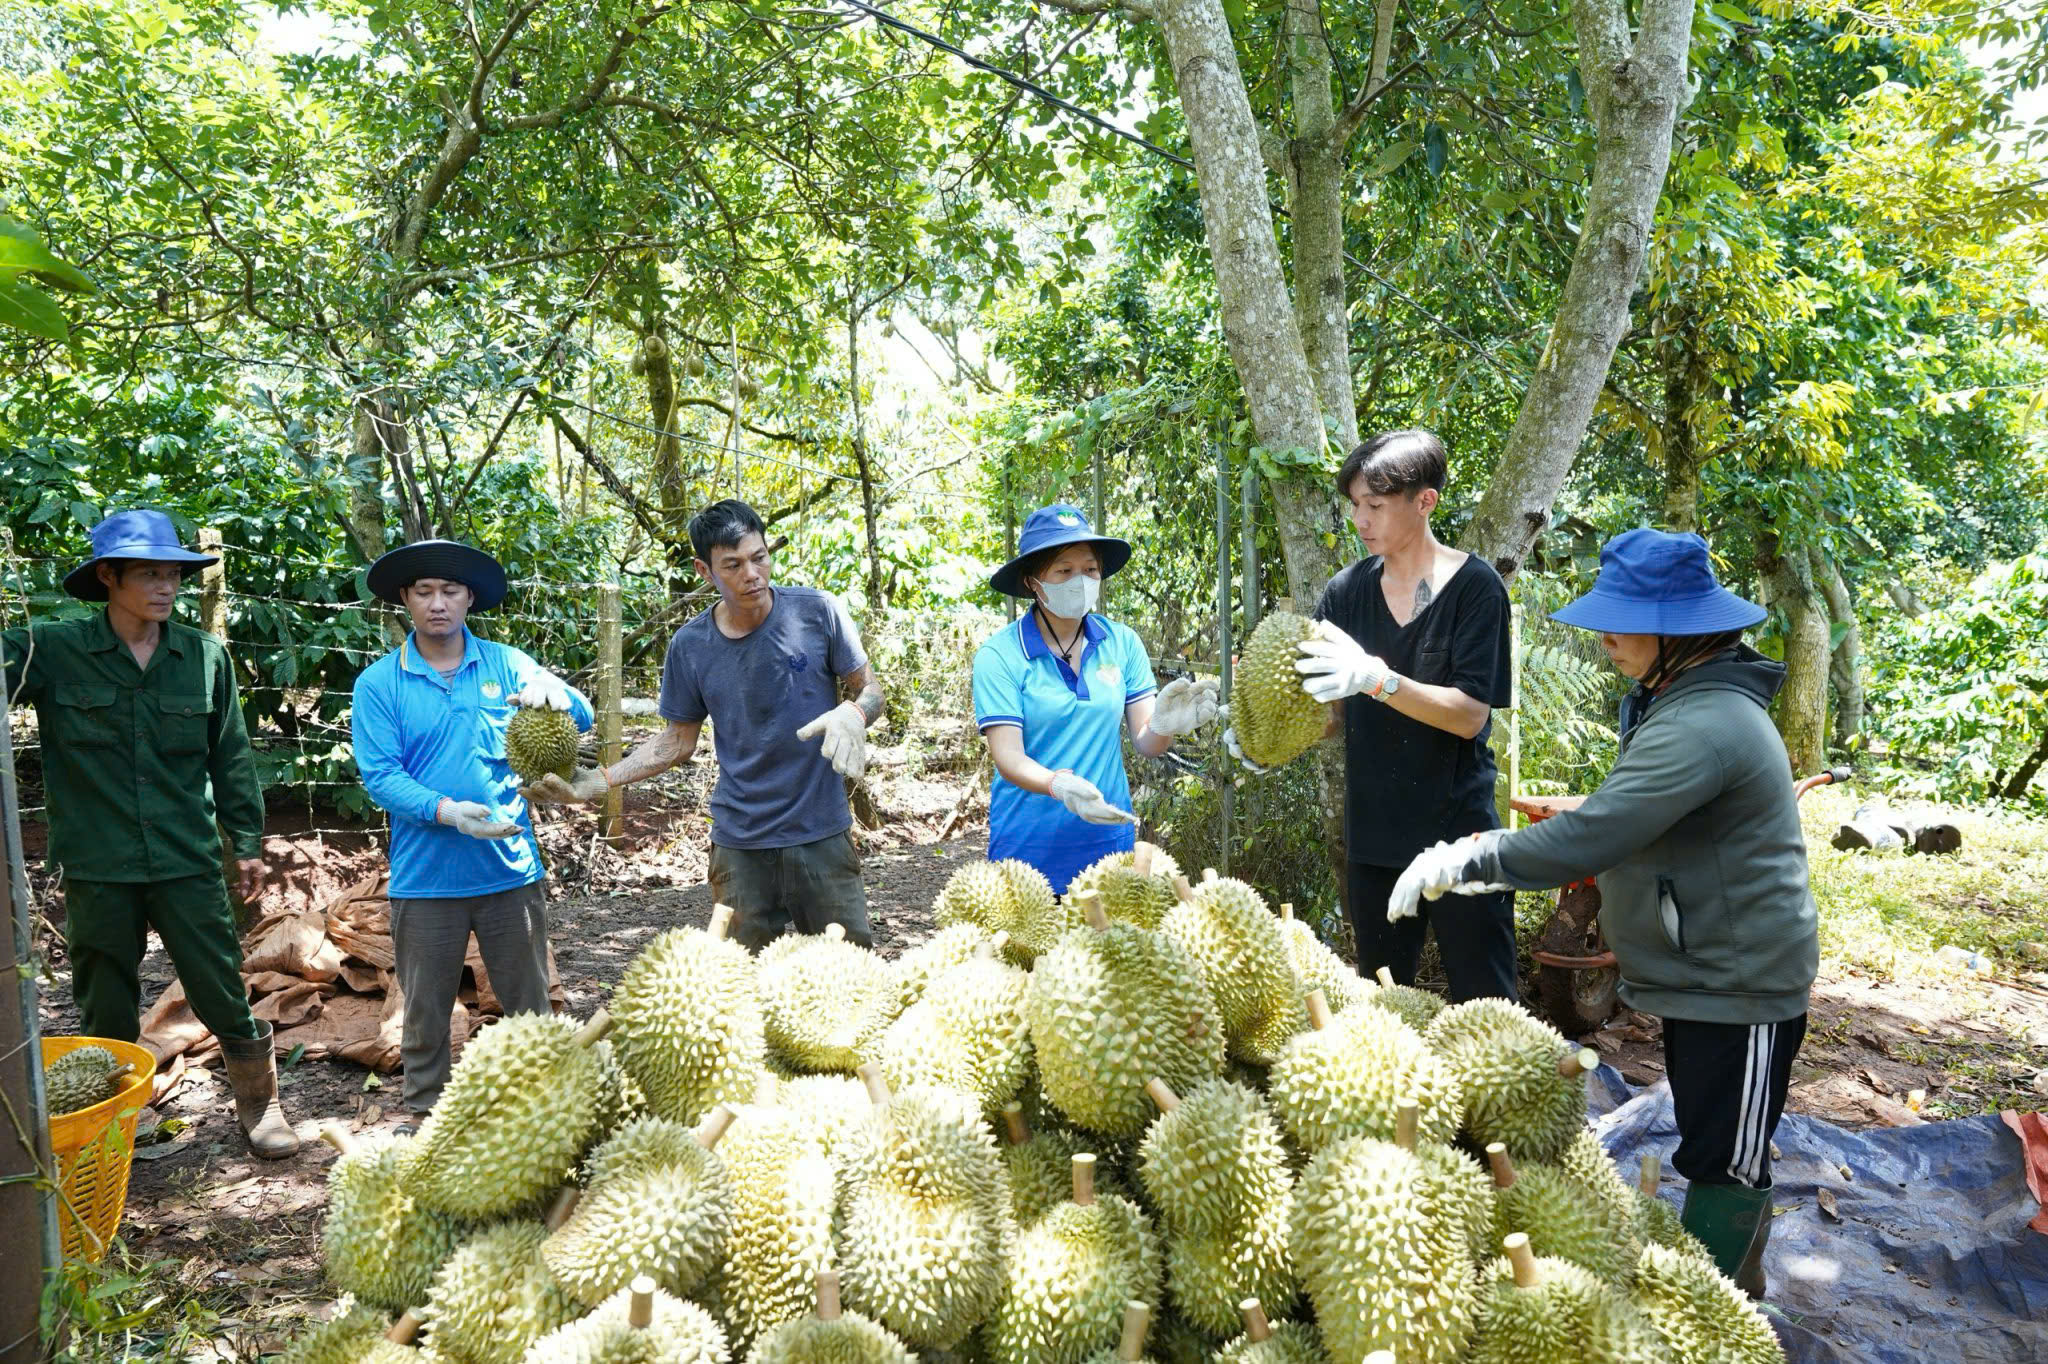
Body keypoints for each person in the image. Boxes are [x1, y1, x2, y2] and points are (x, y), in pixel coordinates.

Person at [1388, 528, 1818, 1296]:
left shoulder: (1703, 723)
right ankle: (1710, 1301)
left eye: (1622, 621)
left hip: (1744, 979)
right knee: (1708, 1145)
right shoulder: (1676, 700)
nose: (1606, 638)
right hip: (1706, 973)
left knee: (1728, 1163)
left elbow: (1597, 832)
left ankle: (1718, 1320)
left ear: (1678, 629)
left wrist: (1469, 861)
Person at [1, 511, 296, 1156]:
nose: (166, 588)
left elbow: (232, 757)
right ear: (109, 576)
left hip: (185, 857)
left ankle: (260, 1106)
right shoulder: (51, 648)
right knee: (104, 993)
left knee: (218, 979)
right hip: (97, 861)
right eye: (150, 575)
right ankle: (111, 1123)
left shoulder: (203, 658)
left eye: (174, 575)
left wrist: (245, 841)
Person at [1226, 430, 1516, 1003]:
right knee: (1382, 1001)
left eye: (1376, 506)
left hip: (1459, 834)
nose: (1362, 519)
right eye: (1355, 505)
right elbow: (1328, 715)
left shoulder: (1475, 590)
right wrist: (1263, 740)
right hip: (1375, 834)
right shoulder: (1345, 593)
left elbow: (1468, 716)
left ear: (1424, 501)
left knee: (1489, 1000)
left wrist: (1378, 679)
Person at [523, 500, 883, 951]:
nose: (752, 573)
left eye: (759, 557)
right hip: (740, 845)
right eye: (732, 565)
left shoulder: (818, 612)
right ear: (704, 571)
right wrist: (598, 781)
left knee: (849, 976)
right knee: (735, 986)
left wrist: (855, 713)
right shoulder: (691, 646)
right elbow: (677, 741)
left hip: (822, 834)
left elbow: (870, 689)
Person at [351, 538, 594, 1112]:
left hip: (509, 869)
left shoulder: (508, 664)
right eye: (425, 591)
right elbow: (381, 776)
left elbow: (579, 714)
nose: (438, 603)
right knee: (426, 1009)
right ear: (406, 600)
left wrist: (556, 691)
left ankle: (546, 1105)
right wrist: (447, 811)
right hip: (426, 875)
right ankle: (423, 1110)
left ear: (469, 599)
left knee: (529, 1001)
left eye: (451, 591)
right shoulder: (379, 684)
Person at [971, 504, 1218, 893]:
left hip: (1108, 845)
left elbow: (1147, 742)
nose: (1080, 580)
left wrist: (1168, 724)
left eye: (1090, 569)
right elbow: (1009, 758)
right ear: (1033, 581)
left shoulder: (1122, 642)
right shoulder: (1000, 655)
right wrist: (1057, 785)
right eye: (1064, 571)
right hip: (1028, 853)